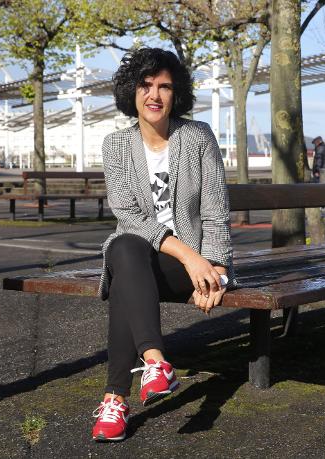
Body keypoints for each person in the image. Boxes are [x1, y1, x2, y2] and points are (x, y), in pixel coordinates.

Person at [92, 47, 234, 442]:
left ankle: (115, 400)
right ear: (131, 92)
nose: (154, 95)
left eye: (164, 86)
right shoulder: (115, 146)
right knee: (124, 247)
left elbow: (215, 210)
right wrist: (187, 254)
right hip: (157, 260)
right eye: (145, 85)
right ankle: (155, 362)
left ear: (177, 94)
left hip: (192, 268)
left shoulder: (197, 136)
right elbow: (129, 217)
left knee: (123, 266)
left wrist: (216, 268)